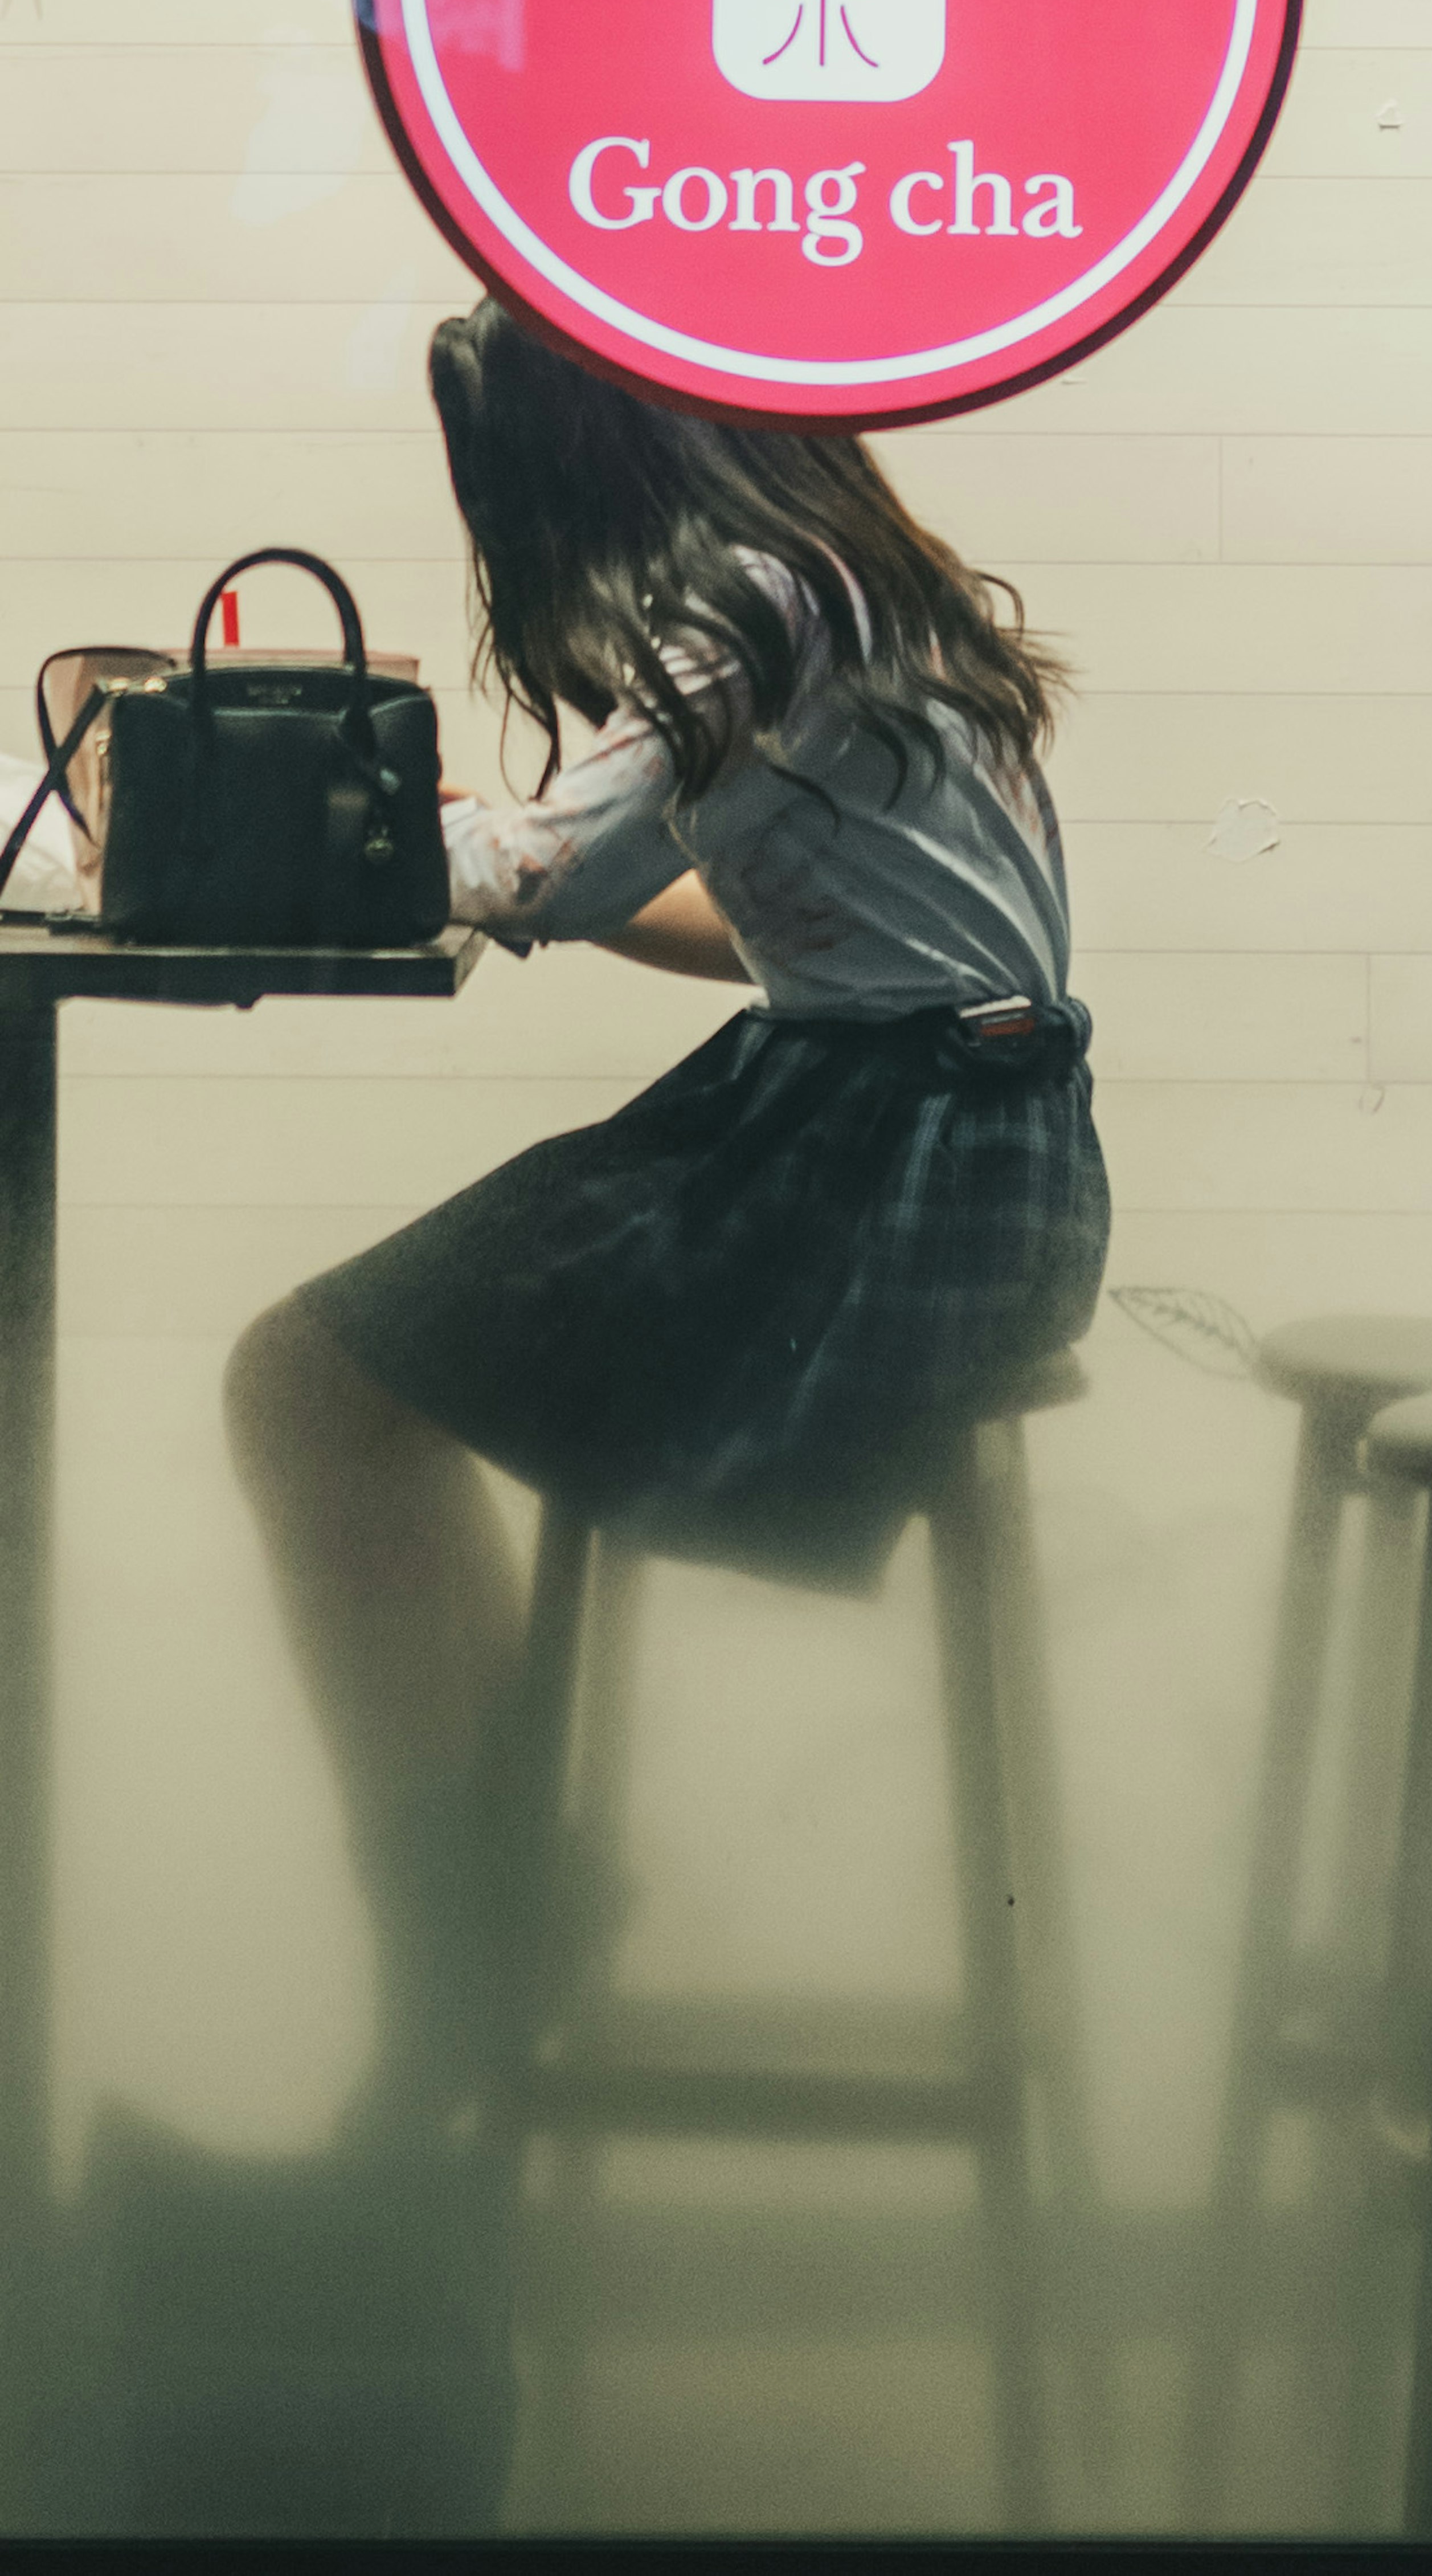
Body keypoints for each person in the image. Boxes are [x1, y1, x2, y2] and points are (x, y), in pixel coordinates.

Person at [222, 297, 1109, 2137]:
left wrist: (406, 805)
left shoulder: (741, 612)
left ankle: (483, 1912)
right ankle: (499, 1895)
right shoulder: (865, 587)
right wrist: (523, 844)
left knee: (303, 1380)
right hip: (976, 1147)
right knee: (341, 1370)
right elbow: (777, 922)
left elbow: (535, 873)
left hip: (876, 1161)